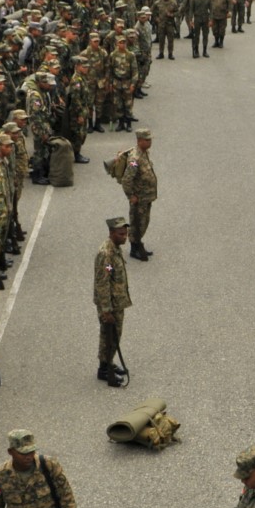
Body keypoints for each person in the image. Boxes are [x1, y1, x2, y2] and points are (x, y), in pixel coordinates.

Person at [94, 217, 132, 388]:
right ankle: (105, 370)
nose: (125, 236)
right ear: (111, 233)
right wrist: (106, 310)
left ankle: (106, 363)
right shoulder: (106, 254)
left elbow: (112, 275)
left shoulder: (115, 248)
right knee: (109, 336)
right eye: (121, 234)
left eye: (126, 233)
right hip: (110, 305)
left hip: (116, 302)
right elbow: (102, 283)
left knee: (114, 337)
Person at [121, 128, 158, 261]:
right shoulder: (135, 158)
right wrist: (131, 196)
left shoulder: (144, 152)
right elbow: (127, 179)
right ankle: (134, 249)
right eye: (147, 140)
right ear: (139, 141)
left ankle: (138, 244)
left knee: (144, 222)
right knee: (137, 223)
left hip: (146, 197)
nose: (150, 142)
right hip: (139, 198)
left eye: (150, 139)